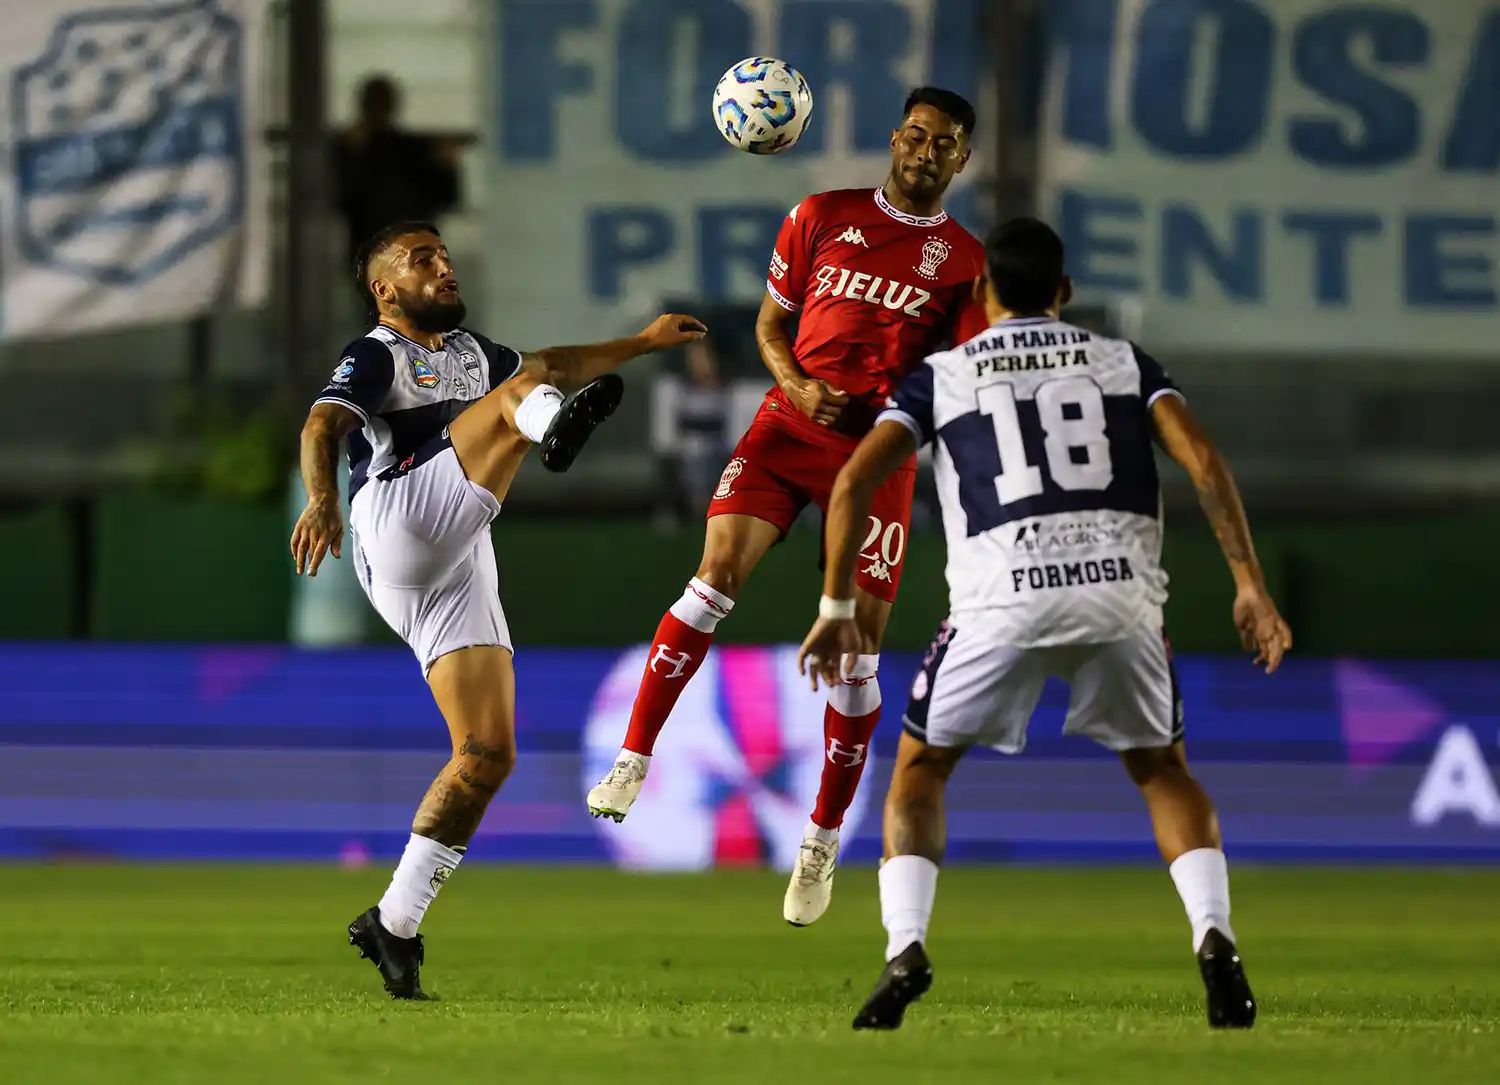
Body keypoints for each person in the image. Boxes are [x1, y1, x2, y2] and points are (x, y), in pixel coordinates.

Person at [797, 217, 1291, 1031]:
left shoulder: (944, 374)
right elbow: (1204, 462)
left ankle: (906, 946)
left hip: (1003, 598)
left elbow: (853, 482)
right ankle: (1215, 936)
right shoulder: (1124, 361)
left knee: (921, 768)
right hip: (1118, 594)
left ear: (981, 292)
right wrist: (1250, 586)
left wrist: (837, 608)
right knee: (1162, 768)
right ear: (1064, 291)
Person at [586, 87, 987, 926]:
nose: (925, 151)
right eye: (916, 135)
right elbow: (773, 326)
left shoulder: (962, 263)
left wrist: (905, 416)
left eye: (944, 143)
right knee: (712, 580)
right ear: (895, 137)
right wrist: (799, 385)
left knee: (857, 657)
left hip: (877, 452)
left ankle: (820, 839)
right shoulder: (820, 214)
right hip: (787, 426)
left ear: (961, 158)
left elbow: (960, 376)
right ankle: (634, 755)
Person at [291, 221, 704, 999]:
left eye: (444, 256)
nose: (443, 268)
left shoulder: (472, 352)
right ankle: (552, 428)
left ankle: (394, 921)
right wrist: (321, 499)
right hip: (397, 522)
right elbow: (322, 424)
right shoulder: (377, 352)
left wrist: (645, 342)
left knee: (486, 754)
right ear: (384, 289)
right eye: (422, 261)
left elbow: (559, 364)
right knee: (520, 399)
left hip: (456, 553)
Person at [333, 76, 468, 267]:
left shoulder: (405, 151)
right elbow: (343, 198)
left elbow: (444, 198)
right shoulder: (355, 149)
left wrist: (446, 166)